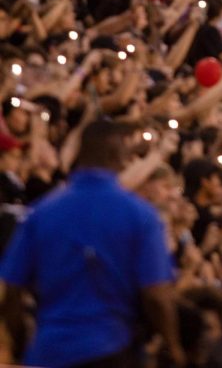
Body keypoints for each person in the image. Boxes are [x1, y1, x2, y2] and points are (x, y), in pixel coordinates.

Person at [0, 120, 184, 368]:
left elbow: (12, 289)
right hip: (111, 349)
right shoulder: (139, 214)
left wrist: (20, 342)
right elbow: (155, 294)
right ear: (115, 154)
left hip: (48, 350)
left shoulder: (41, 212)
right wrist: (172, 345)